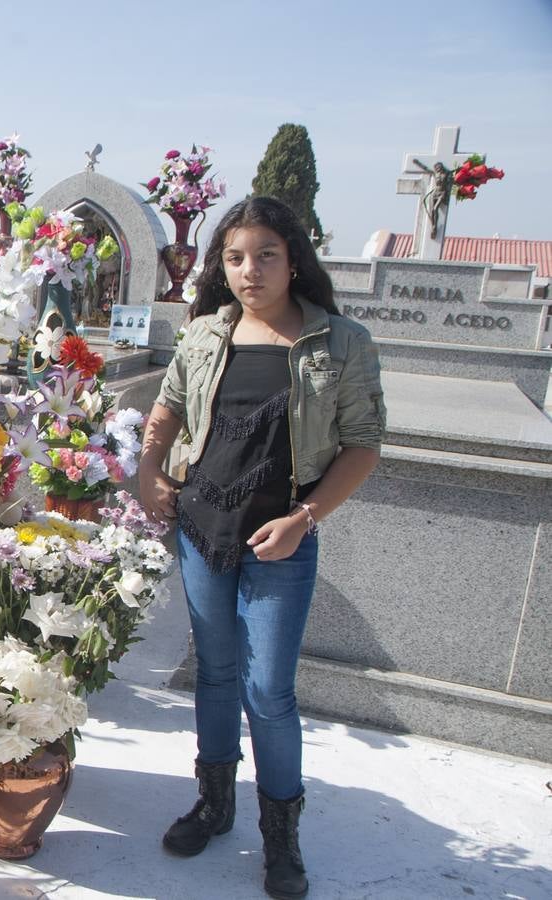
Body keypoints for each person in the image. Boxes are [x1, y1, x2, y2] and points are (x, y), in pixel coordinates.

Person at [138, 196, 385, 899]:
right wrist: (150, 469)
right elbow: (166, 410)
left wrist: (305, 517)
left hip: (280, 536)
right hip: (202, 528)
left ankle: (282, 838)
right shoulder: (206, 335)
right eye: (237, 257)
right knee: (214, 673)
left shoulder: (340, 342)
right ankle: (215, 805)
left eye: (267, 255)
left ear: (294, 258)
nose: (250, 271)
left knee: (268, 690)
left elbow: (363, 445)